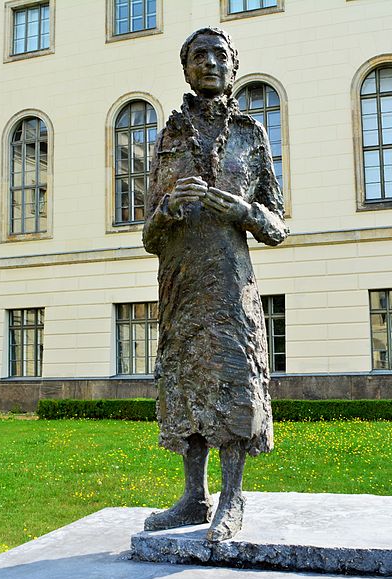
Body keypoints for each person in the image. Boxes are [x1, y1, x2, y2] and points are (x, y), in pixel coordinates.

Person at [142, 27, 288, 542]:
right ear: (185, 68)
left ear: (233, 66)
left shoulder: (252, 134)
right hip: (180, 282)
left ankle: (232, 497)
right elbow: (148, 234)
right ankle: (192, 497)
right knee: (183, 383)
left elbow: (278, 225)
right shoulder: (169, 135)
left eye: (218, 55)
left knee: (232, 380)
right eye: (198, 55)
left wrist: (245, 211)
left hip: (230, 282)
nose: (209, 63)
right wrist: (166, 210)